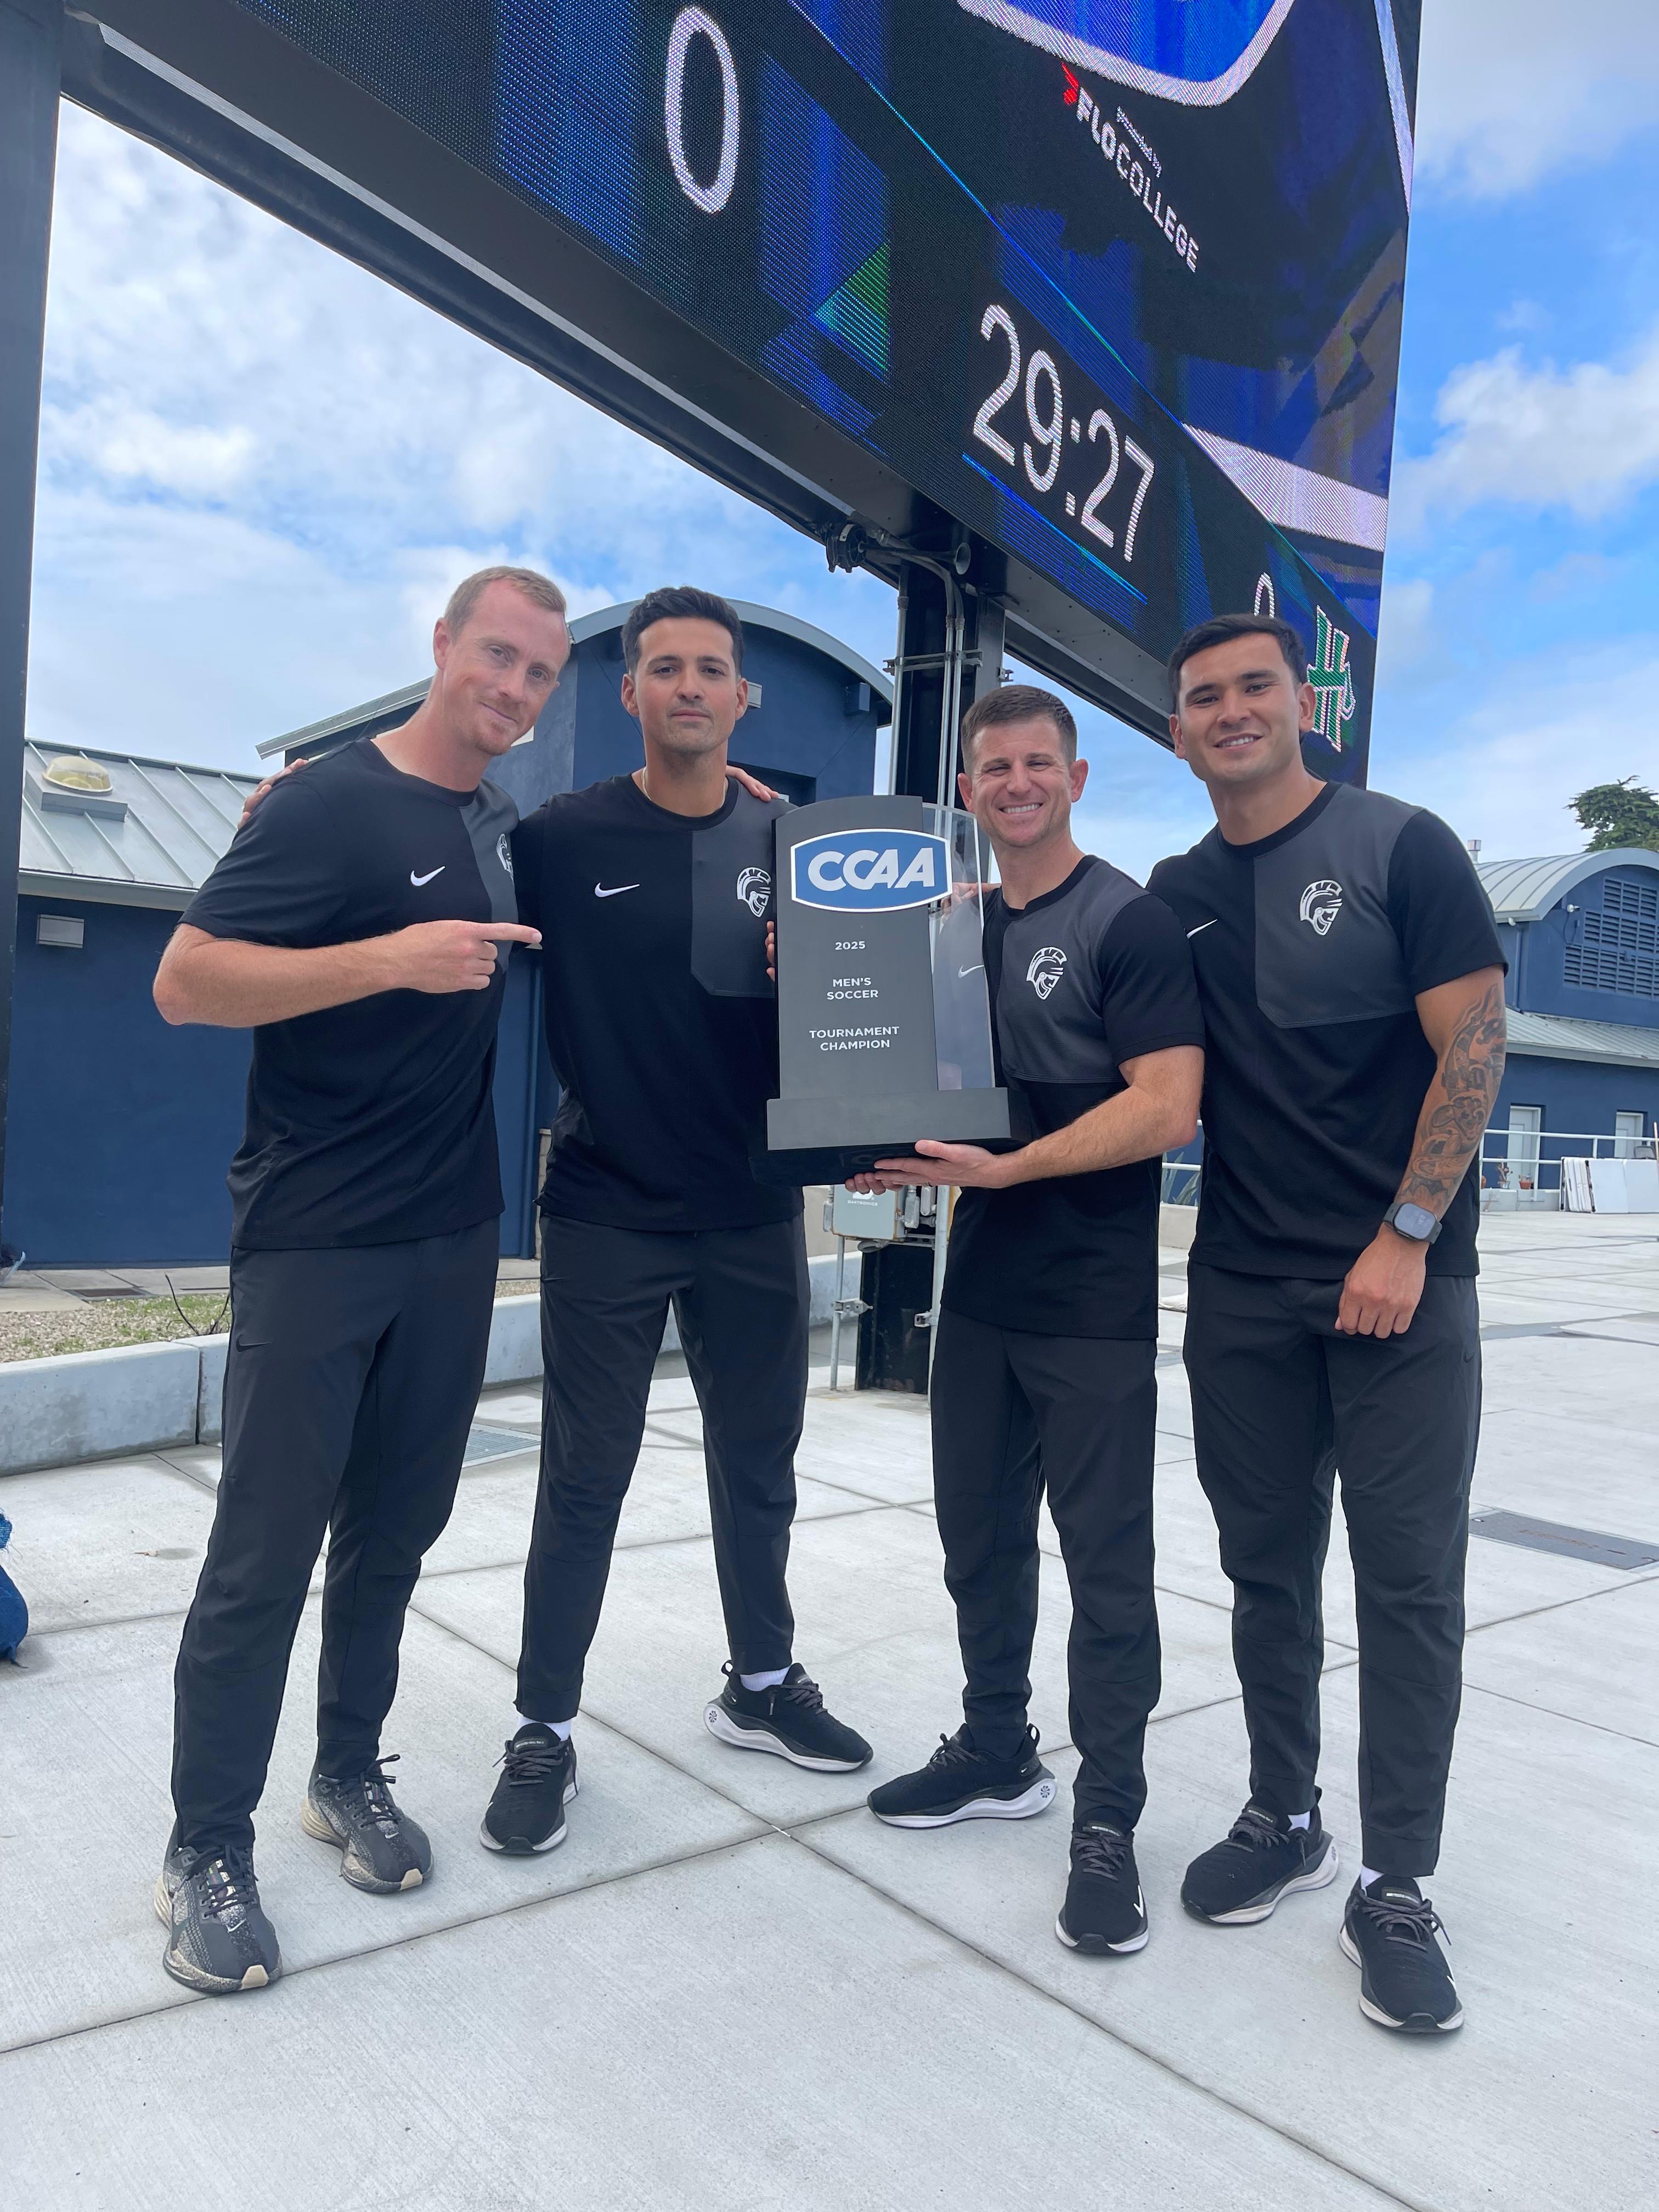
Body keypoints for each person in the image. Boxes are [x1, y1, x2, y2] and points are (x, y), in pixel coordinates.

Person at [151, 566, 568, 1993]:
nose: (513, 689)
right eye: (496, 656)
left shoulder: (498, 826)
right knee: (263, 1556)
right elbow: (187, 982)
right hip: (316, 1238)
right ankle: (205, 1847)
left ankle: (344, 1774)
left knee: (393, 1533)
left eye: (539, 674)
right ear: (442, 645)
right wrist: (386, 959)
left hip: (452, 1240)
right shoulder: (324, 804)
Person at [1147, 612, 1506, 2036]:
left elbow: (1475, 1043)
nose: (1231, 711)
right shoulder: (1175, 892)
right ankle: (1284, 1814)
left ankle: (1395, 1883)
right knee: (1266, 1573)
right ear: (1176, 731)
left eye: (1256, 687)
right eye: (1205, 697)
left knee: (1407, 1586)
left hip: (1399, 1285)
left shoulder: (1400, 846)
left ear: (1304, 703)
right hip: (1243, 1288)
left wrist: (1407, 1235)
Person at [479, 586, 870, 1857]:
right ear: (633, 692)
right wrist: (302, 794)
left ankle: (762, 1684)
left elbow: (870, 1002)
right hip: (608, 1204)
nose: (689, 686)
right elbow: (433, 822)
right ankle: (544, 1726)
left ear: (741, 697)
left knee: (759, 1466)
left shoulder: (796, 848)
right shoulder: (561, 837)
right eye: (665, 668)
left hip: (755, 1206)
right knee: (583, 1477)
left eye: (710, 669)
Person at [853, 684, 1204, 1959]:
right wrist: (862, 1122)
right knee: (979, 1542)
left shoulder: (1128, 920)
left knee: (1108, 1572)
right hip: (984, 1300)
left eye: (1037, 764)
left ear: (1076, 777)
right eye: (994, 767)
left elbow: (1167, 1106)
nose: (1016, 784)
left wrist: (1010, 1168)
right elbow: (886, 1061)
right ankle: (998, 1749)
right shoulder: (951, 931)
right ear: (968, 789)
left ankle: (1107, 1818)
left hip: (1092, 1306)